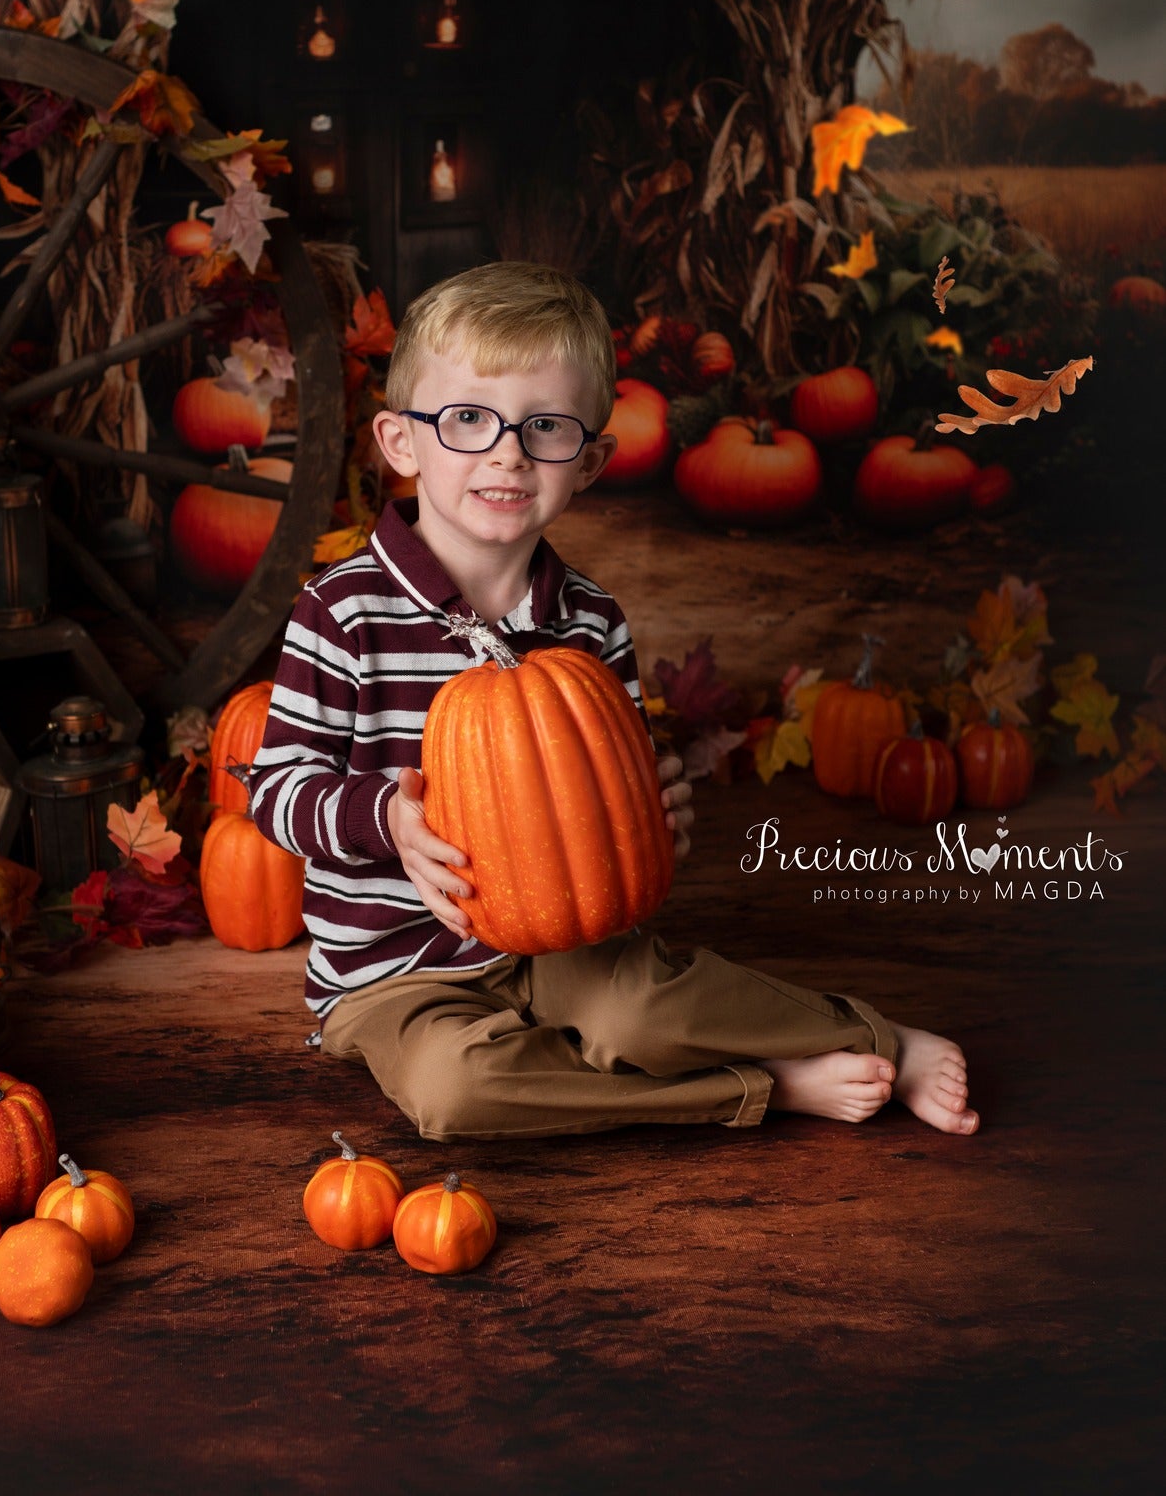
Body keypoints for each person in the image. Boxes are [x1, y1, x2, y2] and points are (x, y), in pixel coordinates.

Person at [246, 262, 978, 1142]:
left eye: (544, 426)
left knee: (643, 1011)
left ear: (587, 461)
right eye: (469, 420)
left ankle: (876, 1035)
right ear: (401, 443)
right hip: (393, 975)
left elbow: (607, 793)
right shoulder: (343, 610)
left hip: (567, 944)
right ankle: (755, 1087)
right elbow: (276, 787)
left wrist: (649, 812)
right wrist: (386, 823)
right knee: (454, 1094)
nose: (506, 452)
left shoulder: (588, 621)